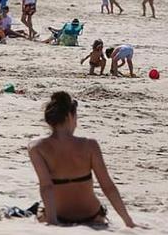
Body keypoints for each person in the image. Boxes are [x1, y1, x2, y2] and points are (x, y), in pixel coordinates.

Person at [28, 91, 137, 227]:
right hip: (92, 215)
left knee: (37, 209)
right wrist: (128, 221)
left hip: (60, 215)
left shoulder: (37, 147)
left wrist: (52, 221)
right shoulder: (90, 145)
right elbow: (108, 186)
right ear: (69, 116)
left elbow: (46, 187)